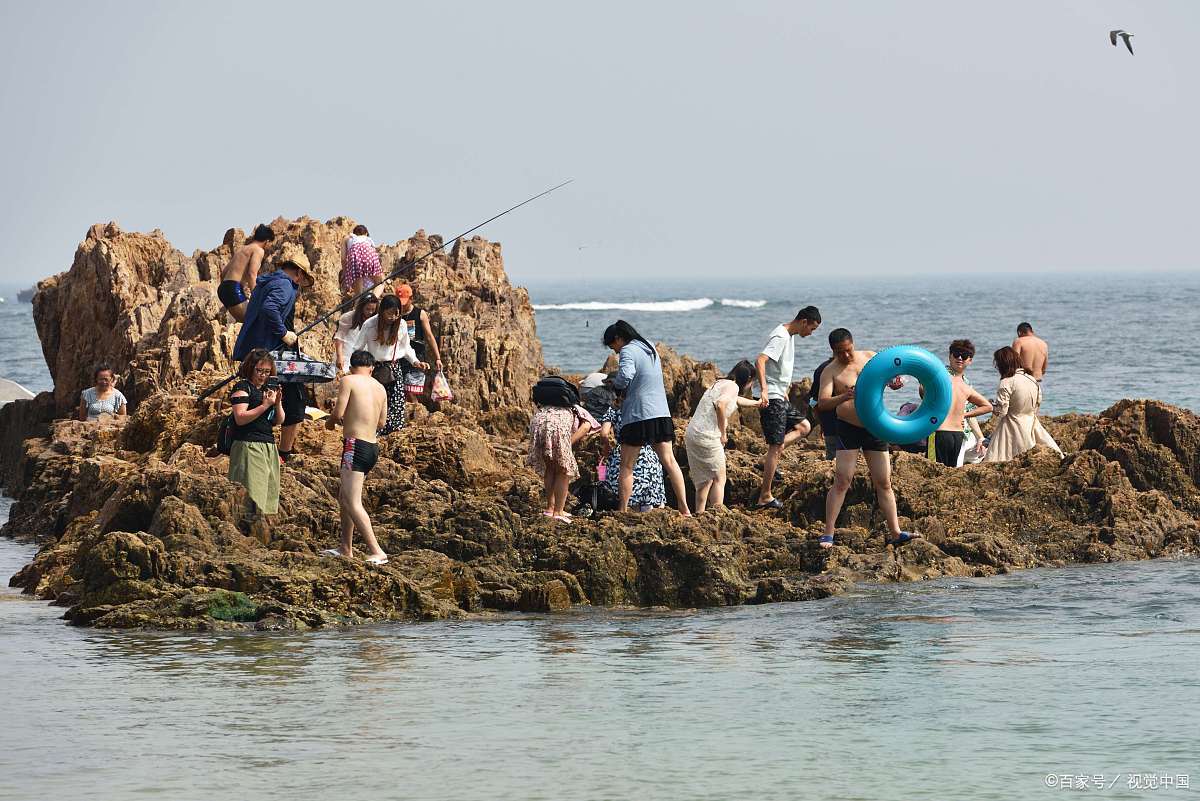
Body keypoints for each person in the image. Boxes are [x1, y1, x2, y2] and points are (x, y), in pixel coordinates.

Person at [817, 328, 919, 549]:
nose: (845, 355)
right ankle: (828, 534)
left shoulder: (871, 358)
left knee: (884, 482)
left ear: (853, 343)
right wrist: (844, 395)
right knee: (843, 480)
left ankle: (896, 531)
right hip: (848, 428)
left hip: (874, 425)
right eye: (839, 352)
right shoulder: (830, 371)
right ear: (833, 351)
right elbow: (822, 403)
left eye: (847, 350)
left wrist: (895, 383)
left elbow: (890, 380)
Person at [232, 244, 316, 462]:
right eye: (302, 280)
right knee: (296, 400)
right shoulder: (285, 285)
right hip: (270, 353)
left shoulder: (268, 282)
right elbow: (270, 308)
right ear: (298, 273)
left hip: (258, 352)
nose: (300, 286)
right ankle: (282, 454)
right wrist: (283, 334)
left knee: (259, 397)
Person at [603, 320, 691, 515]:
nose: (616, 352)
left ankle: (623, 510)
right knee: (670, 461)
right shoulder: (649, 346)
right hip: (660, 412)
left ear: (618, 339)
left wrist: (615, 385)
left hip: (637, 415)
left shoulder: (627, 350)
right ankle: (684, 508)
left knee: (627, 466)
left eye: (613, 347)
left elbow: (626, 375)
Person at [322, 350, 390, 564]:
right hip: (372, 447)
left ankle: (377, 550)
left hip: (354, 445)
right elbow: (381, 423)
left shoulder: (348, 380)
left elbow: (339, 412)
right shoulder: (380, 388)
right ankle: (345, 547)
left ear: (352, 367)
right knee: (344, 497)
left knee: (352, 501)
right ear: (371, 368)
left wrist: (331, 423)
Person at [753, 306, 821, 509]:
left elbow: (777, 367)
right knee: (775, 446)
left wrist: (782, 390)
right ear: (804, 322)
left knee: (804, 427)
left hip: (779, 396)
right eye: (812, 328)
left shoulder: (788, 335)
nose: (811, 333)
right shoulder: (782, 336)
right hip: (772, 398)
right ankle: (765, 496)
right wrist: (765, 390)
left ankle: (770, 462)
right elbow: (761, 361)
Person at [685, 360, 761, 513]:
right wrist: (723, 433)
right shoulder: (733, 387)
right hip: (707, 436)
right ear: (747, 379)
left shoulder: (721, 383)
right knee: (720, 478)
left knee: (704, 481)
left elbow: (734, 400)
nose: (751, 386)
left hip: (692, 434)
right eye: (752, 382)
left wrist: (756, 403)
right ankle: (717, 514)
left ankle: (699, 515)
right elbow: (720, 404)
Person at [227, 349, 285, 542]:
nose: (263, 375)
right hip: (248, 445)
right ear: (251, 368)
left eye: (267, 372)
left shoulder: (266, 390)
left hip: (268, 445)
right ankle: (246, 536)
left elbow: (278, 421)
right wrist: (264, 405)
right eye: (259, 370)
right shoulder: (242, 387)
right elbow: (240, 418)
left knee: (267, 494)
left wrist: (276, 403)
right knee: (251, 495)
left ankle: (260, 536)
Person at [350, 294, 428, 435]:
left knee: (396, 405)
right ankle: (373, 434)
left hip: (394, 369)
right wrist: (357, 369)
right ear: (382, 311)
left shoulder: (402, 325)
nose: (393, 317)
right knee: (374, 404)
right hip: (375, 369)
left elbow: (406, 348)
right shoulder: (370, 324)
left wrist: (416, 362)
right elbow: (358, 348)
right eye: (390, 313)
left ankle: (392, 435)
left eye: (396, 313)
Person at [984, 346, 1063, 462]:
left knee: (1000, 460)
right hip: (1031, 422)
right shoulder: (1031, 379)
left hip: (1011, 426)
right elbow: (1038, 404)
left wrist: (990, 405)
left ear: (1002, 364)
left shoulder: (1006, 382)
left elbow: (1002, 411)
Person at [528, 394, 594, 522]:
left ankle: (550, 508)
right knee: (564, 471)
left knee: (551, 467)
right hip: (557, 428)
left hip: (538, 423)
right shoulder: (577, 409)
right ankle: (558, 512)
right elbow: (586, 426)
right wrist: (568, 443)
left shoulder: (548, 406)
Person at [599, 389, 666, 512]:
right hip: (647, 456)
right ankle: (646, 509)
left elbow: (604, 434)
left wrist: (607, 446)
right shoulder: (645, 409)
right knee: (647, 498)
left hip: (623, 451)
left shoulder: (613, 410)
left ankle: (626, 509)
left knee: (617, 476)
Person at [930, 340, 993, 468]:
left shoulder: (966, 382)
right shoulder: (941, 375)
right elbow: (923, 391)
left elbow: (973, 412)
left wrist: (979, 436)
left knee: (947, 470)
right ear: (950, 356)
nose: (959, 358)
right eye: (956, 354)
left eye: (964, 355)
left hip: (960, 433)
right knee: (940, 469)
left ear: (970, 360)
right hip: (939, 429)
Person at [395, 284, 444, 403]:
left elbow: (429, 336)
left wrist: (437, 358)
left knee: (411, 391)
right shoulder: (395, 313)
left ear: (411, 298)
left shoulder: (420, 314)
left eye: (404, 302)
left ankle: (416, 414)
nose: (402, 304)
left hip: (416, 357)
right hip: (399, 356)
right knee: (400, 391)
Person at [218, 224, 275, 322]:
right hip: (234, 288)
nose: (270, 247)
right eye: (271, 243)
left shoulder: (242, 249)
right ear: (267, 241)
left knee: (247, 322)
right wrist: (256, 296)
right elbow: (252, 274)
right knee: (255, 321)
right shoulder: (258, 250)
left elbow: (223, 273)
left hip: (223, 289)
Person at [333, 294, 379, 374]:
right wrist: (339, 356)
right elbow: (339, 338)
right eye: (367, 309)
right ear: (361, 307)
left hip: (364, 358)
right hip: (346, 355)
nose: (370, 312)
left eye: (373, 309)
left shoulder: (376, 320)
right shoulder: (348, 317)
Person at [341, 225, 385, 298]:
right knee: (380, 283)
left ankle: (361, 303)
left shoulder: (347, 238)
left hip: (355, 259)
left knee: (359, 294)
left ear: (354, 233)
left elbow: (343, 259)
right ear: (366, 233)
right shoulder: (368, 239)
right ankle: (373, 299)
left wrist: (346, 275)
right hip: (369, 256)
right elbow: (375, 254)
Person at [810, 357, 838, 459]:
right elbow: (814, 402)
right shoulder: (823, 369)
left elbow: (813, 401)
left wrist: (821, 422)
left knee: (833, 458)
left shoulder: (822, 368)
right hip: (833, 423)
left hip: (829, 423)